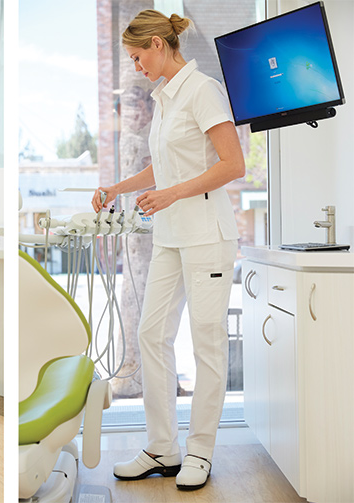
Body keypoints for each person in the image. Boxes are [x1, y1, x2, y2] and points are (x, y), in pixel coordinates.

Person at [92, 9, 245, 491]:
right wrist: (117, 186)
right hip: (171, 238)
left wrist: (174, 193)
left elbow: (233, 164)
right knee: (151, 333)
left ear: (158, 44)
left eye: (137, 56)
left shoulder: (202, 91)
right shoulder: (164, 98)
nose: (136, 66)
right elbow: (162, 167)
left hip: (206, 235)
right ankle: (163, 447)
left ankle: (200, 451)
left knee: (207, 345)